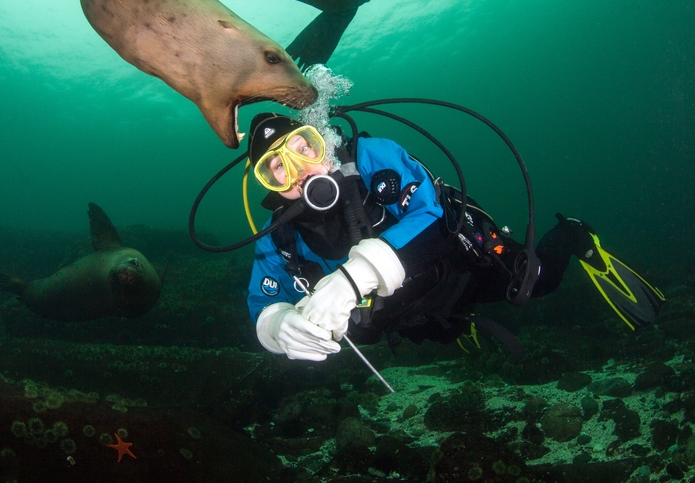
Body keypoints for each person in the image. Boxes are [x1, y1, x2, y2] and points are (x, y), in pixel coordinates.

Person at [245, 112, 664, 362]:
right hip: (417, 311)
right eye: (276, 167)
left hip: (465, 266)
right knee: (437, 334)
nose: (298, 169)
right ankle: (460, 326)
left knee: (538, 282)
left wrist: (352, 278)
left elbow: (431, 212)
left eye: (304, 146)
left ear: (325, 144)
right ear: (270, 187)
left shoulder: (370, 158)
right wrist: (278, 325)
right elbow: (263, 299)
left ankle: (573, 235)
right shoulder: (278, 236)